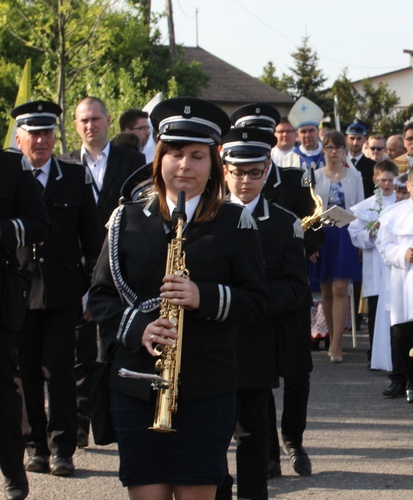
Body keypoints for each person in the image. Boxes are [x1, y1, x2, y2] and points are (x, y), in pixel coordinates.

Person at [87, 97, 268, 499]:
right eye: (174, 153)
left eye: (197, 155)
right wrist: (140, 327)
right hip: (137, 384)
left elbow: (256, 301)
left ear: (214, 164)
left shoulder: (234, 221)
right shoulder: (127, 219)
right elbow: (99, 297)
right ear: (159, 158)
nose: (184, 164)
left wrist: (201, 296)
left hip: (207, 387)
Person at [11, 101, 102, 478]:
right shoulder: (8, 177)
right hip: (17, 292)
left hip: (65, 293)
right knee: (25, 371)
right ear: (19, 139)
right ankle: (34, 447)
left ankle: (62, 448)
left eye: (47, 133)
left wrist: (93, 292)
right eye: (33, 134)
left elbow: (92, 240)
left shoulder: (74, 176)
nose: (42, 140)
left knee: (61, 369)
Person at [227, 103, 317, 480]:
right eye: (237, 171)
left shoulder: (289, 199)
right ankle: (265, 455)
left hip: (277, 316)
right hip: (234, 324)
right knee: (252, 393)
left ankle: (292, 439)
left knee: (295, 375)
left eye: (255, 170)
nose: (245, 179)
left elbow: (297, 285)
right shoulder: (214, 213)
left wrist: (256, 300)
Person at [60, 96, 147, 448]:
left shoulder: (133, 161)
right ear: (75, 125)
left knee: (114, 348)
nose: (90, 126)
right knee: (80, 356)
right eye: (83, 121)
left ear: (108, 120)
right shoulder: (64, 164)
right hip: (77, 269)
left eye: (95, 119)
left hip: (120, 269)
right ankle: (79, 427)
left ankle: (111, 425)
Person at [0, 149, 50, 500]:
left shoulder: (10, 167)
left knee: (2, 390)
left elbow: (39, 223)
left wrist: (3, 231)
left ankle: (13, 472)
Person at [377, 161, 413, 412]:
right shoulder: (394, 214)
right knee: (401, 337)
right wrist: (403, 253)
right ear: (408, 185)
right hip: (401, 283)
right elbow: (384, 247)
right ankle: (403, 379)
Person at [310, 131, 364, 363]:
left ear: (344, 151)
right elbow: (309, 209)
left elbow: (360, 208)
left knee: (341, 287)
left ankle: (337, 343)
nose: (334, 152)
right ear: (324, 149)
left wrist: (361, 239)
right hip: (323, 234)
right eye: (329, 147)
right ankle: (332, 337)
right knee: (327, 289)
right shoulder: (314, 175)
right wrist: (310, 243)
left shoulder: (355, 176)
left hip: (346, 234)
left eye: (338, 148)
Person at [348, 161, 399, 364]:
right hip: (375, 262)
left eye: (390, 180)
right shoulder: (367, 206)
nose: (386, 184)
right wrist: (371, 232)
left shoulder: (402, 202)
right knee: (376, 306)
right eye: (382, 180)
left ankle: (396, 353)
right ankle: (375, 352)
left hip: (395, 264)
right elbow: (355, 233)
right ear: (375, 180)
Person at [278, 97, 325, 172]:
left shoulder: (329, 154)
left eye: (311, 130)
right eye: (303, 131)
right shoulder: (287, 160)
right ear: (297, 135)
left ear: (318, 132)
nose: (307, 135)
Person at [345, 120, 376, 198]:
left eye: (359, 138)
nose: (355, 143)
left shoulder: (373, 166)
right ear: (346, 139)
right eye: (352, 138)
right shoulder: (340, 163)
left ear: (364, 140)